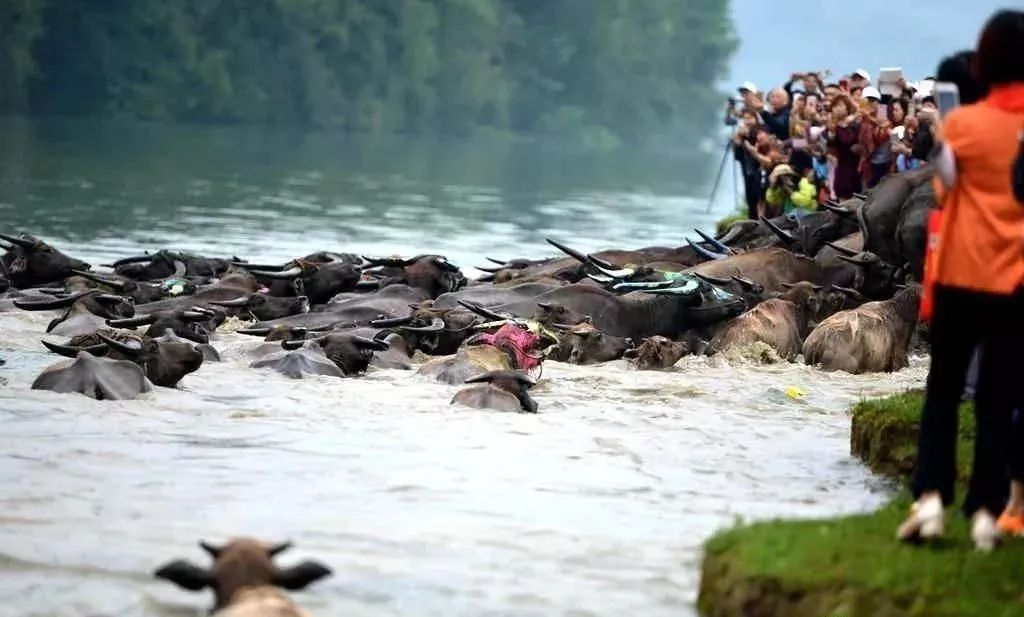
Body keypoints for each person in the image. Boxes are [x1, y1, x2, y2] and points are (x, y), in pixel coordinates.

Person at [898, 10, 1024, 551]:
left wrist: (940, 134)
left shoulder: (964, 125)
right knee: (998, 397)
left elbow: (947, 187)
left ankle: (929, 500)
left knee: (944, 388)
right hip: (1015, 281)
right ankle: (986, 514)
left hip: (959, 275)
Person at [825, 94, 862, 198]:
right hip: (842, 170)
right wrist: (843, 124)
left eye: (840, 105)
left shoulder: (855, 124)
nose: (837, 108)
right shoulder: (832, 128)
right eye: (835, 106)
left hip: (857, 170)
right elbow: (845, 141)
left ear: (847, 108)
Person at [733, 111, 766, 219]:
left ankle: (761, 222)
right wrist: (737, 142)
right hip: (747, 171)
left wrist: (747, 136)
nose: (747, 121)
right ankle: (752, 222)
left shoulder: (761, 131)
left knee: (760, 198)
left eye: (750, 118)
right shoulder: (741, 135)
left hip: (760, 170)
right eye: (745, 119)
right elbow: (738, 157)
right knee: (750, 199)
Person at [859, 86, 893, 188]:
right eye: (867, 100)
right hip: (870, 163)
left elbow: (882, 132)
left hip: (886, 163)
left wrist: (869, 117)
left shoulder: (886, 114)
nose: (870, 103)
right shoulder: (862, 119)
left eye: (873, 100)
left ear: (878, 101)